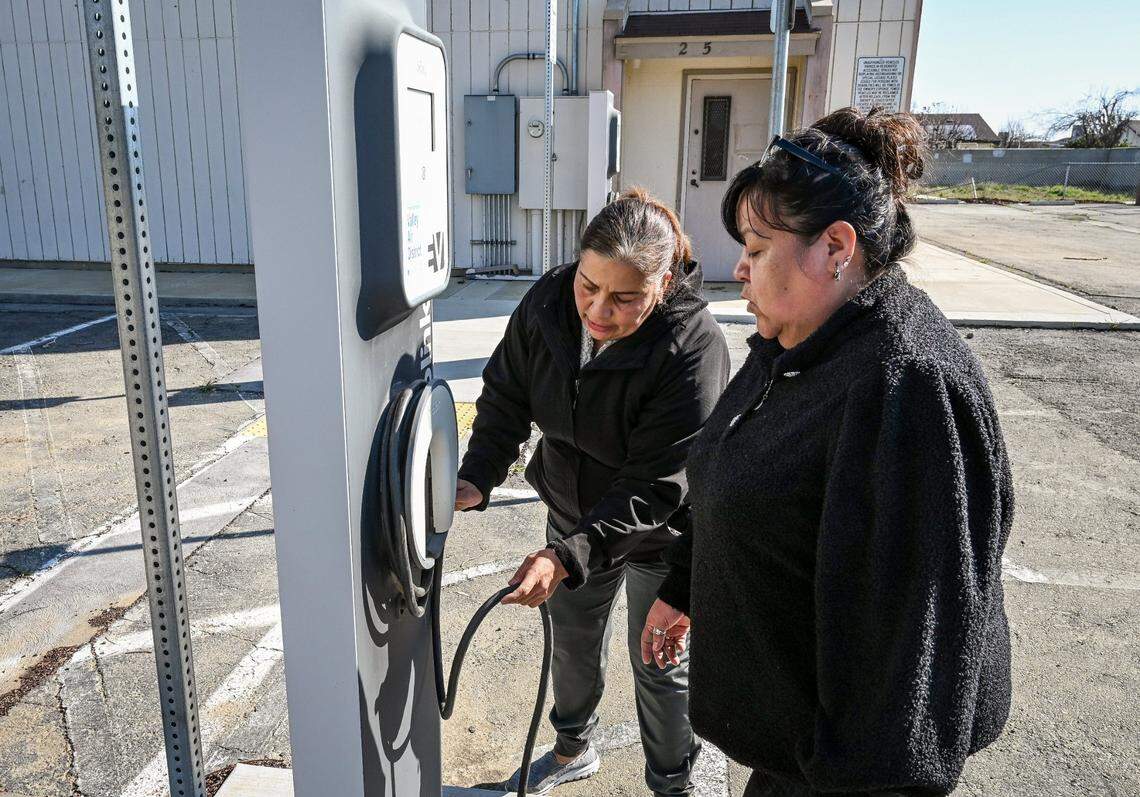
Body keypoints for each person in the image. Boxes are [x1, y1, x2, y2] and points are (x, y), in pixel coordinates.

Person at [641, 108, 1015, 797]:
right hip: (796, 747)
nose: (738, 267)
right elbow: (730, 470)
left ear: (837, 247)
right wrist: (683, 585)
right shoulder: (801, 336)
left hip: (845, 772)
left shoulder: (903, 386)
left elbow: (911, 652)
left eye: (756, 246)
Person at [455, 188, 729, 796]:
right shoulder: (549, 302)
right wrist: (477, 475)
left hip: (660, 534)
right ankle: (573, 747)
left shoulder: (694, 346)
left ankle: (673, 783)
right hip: (571, 513)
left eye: (625, 297)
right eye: (589, 285)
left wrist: (568, 555)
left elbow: (655, 484)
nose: (598, 310)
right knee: (573, 646)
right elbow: (505, 395)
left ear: (662, 284)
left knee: (658, 662)